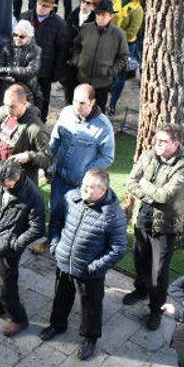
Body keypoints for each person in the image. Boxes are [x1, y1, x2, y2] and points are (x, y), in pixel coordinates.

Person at [39, 168, 128, 361]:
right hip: (64, 261)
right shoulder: (71, 197)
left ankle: (90, 338)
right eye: (83, 186)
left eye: (89, 189)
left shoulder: (113, 214)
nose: (83, 191)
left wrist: (93, 268)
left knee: (91, 305)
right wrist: (55, 246)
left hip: (89, 271)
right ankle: (57, 324)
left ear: (102, 191)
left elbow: (119, 248)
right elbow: (56, 221)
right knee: (61, 295)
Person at [124, 123, 184, 329]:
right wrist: (151, 192)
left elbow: (166, 197)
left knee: (159, 270)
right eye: (157, 140)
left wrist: (145, 185)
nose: (157, 144)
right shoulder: (148, 155)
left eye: (163, 141)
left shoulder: (183, 167)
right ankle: (141, 289)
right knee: (140, 258)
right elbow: (130, 182)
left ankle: (156, 309)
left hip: (164, 227)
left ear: (175, 143)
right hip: (142, 219)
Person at [0, 159, 44, 338]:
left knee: (8, 284)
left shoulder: (32, 195)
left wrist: (15, 243)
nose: (3, 187)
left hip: (9, 248)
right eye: (0, 183)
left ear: (18, 176)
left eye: (6, 184)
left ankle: (18, 318)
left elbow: (37, 228)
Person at [46, 85, 115, 246]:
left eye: (82, 103)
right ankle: (51, 241)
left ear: (93, 102)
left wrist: (86, 173)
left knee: (73, 217)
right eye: (75, 101)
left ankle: (66, 247)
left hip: (79, 184)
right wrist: (49, 163)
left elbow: (107, 157)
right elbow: (55, 141)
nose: (77, 106)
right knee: (55, 211)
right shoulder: (66, 113)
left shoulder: (104, 127)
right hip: (59, 177)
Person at [71, 0, 129, 110]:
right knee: (79, 109)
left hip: (102, 82)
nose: (100, 18)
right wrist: (77, 60)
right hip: (82, 78)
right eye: (97, 14)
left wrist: (111, 71)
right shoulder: (86, 28)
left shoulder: (118, 34)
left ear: (111, 16)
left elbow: (124, 56)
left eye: (103, 15)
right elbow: (76, 46)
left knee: (98, 111)